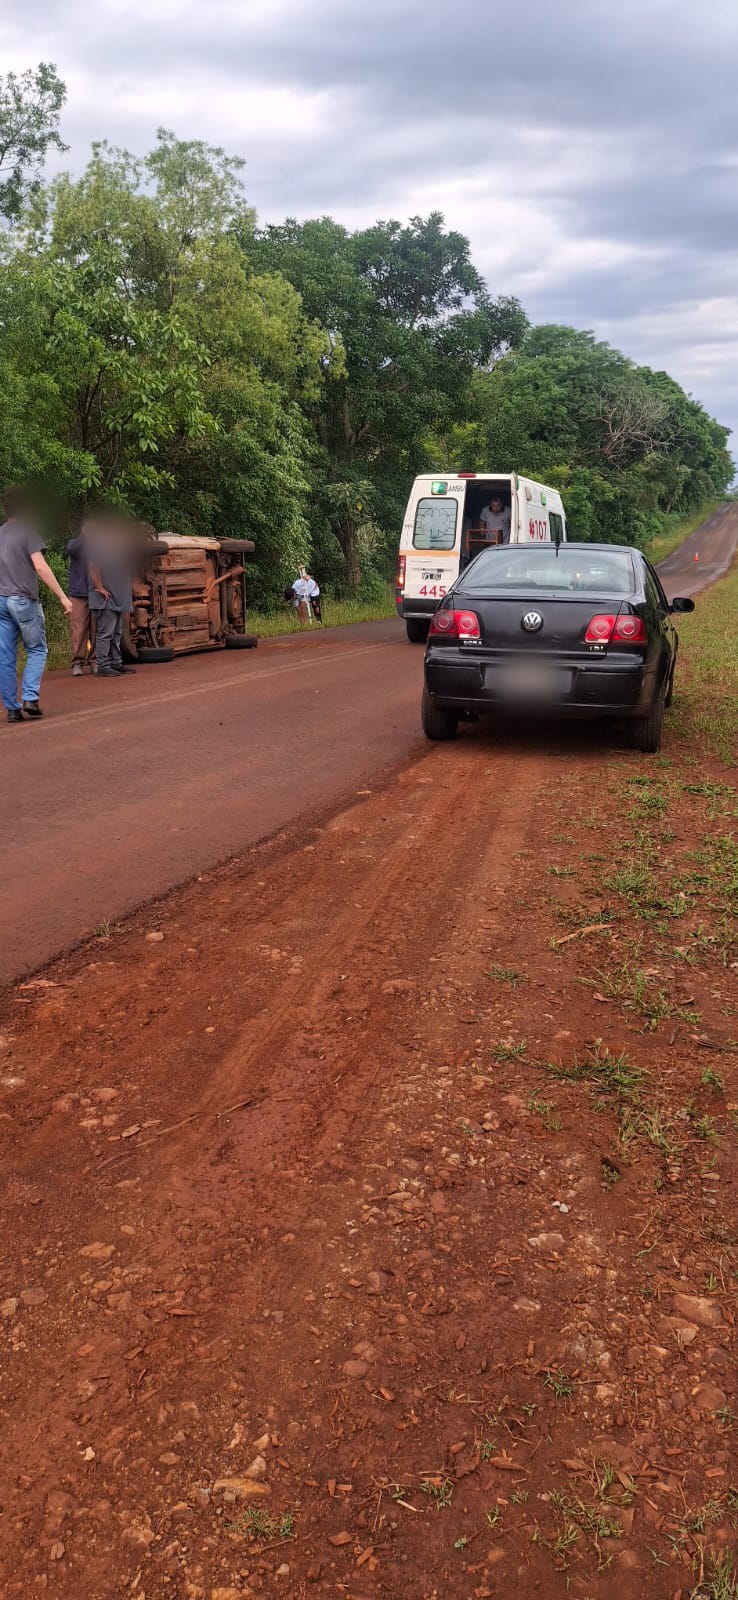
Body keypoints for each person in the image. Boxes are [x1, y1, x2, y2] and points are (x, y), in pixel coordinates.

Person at [0, 484, 73, 724]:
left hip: (2, 601)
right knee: (37, 649)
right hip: (23, 599)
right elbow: (40, 566)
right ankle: (30, 697)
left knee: (6, 656)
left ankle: (12, 709)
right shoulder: (28, 531)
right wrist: (62, 596)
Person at [86, 514, 136, 678]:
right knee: (105, 633)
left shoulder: (115, 547)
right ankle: (103, 665)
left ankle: (116, 662)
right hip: (107, 599)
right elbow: (93, 566)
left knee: (117, 633)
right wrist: (99, 587)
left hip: (118, 598)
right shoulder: (99, 546)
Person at [66, 528, 97, 676]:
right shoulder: (76, 544)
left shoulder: (99, 545)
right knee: (79, 630)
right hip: (79, 593)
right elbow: (70, 549)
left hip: (97, 591)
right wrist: (83, 536)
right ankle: (77, 662)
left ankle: (95, 661)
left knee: (96, 629)